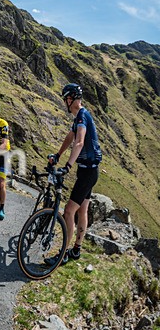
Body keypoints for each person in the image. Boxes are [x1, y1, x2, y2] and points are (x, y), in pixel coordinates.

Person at [45, 83, 102, 266]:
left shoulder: (82, 116)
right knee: (82, 210)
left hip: (87, 173)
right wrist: (58, 155)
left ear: (70, 99)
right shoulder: (79, 116)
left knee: (69, 211)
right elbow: (70, 137)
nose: (64, 102)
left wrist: (67, 166)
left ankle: (63, 254)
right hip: (89, 171)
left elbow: (78, 142)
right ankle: (76, 249)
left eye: (65, 99)